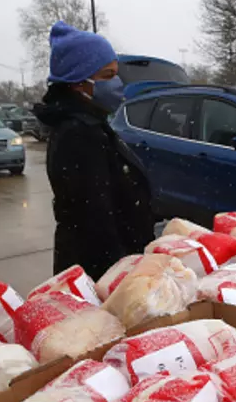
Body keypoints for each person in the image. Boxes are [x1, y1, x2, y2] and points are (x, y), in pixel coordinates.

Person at [34, 21, 155, 280]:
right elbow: (94, 221)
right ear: (79, 83)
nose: (118, 83)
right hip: (100, 274)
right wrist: (122, 277)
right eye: (108, 76)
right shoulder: (78, 134)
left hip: (110, 266)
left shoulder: (92, 124)